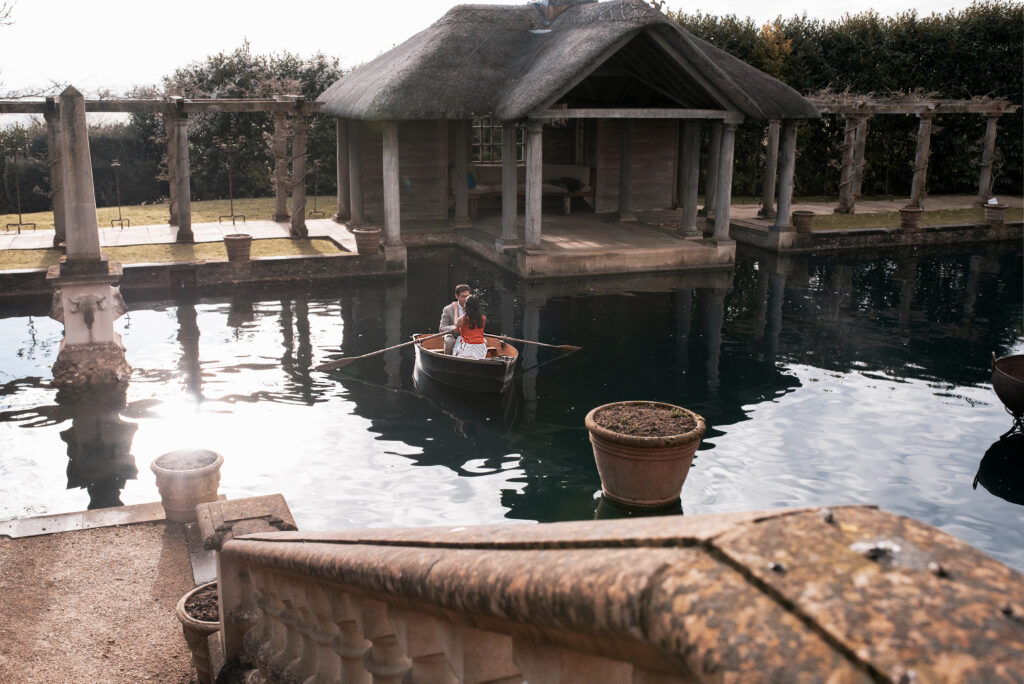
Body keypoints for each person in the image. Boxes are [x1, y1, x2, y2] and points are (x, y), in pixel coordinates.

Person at [439, 284, 471, 355]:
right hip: (452, 334)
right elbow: (441, 328)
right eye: (463, 296)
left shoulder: (472, 308)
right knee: (450, 341)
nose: (465, 299)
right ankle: (447, 360)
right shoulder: (448, 309)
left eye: (467, 296)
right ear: (456, 296)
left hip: (467, 335)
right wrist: (452, 327)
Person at [452, 294, 487, 359]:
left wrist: (455, 309)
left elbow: (455, 326)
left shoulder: (463, 318)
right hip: (481, 350)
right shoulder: (483, 318)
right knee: (485, 340)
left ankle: (452, 359)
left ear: (466, 305)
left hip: (467, 349)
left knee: (458, 339)